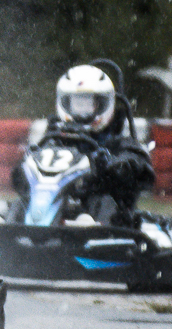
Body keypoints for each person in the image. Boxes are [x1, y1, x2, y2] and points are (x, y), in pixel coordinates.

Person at [26, 60, 154, 224]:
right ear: (65, 103)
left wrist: (111, 166)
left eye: (89, 104)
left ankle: (90, 229)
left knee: (103, 201)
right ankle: (15, 228)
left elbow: (142, 170)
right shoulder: (54, 140)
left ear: (104, 104)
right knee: (22, 202)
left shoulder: (118, 143)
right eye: (78, 104)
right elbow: (20, 180)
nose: (82, 112)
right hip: (58, 208)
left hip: (105, 215)